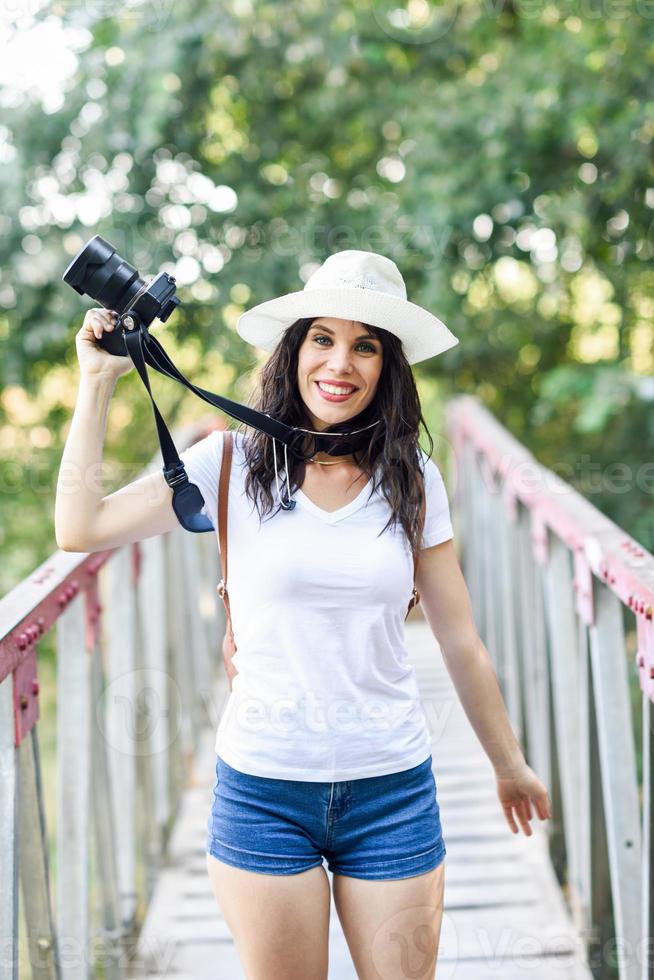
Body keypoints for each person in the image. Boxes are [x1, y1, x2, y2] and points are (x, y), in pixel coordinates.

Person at [55, 249, 552, 980]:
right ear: (293, 351)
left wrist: (508, 765)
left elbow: (460, 639)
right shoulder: (228, 462)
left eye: (365, 345)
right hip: (263, 788)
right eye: (323, 338)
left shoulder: (413, 478)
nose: (340, 363)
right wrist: (96, 384)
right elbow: (80, 527)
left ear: (388, 367)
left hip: (391, 788)